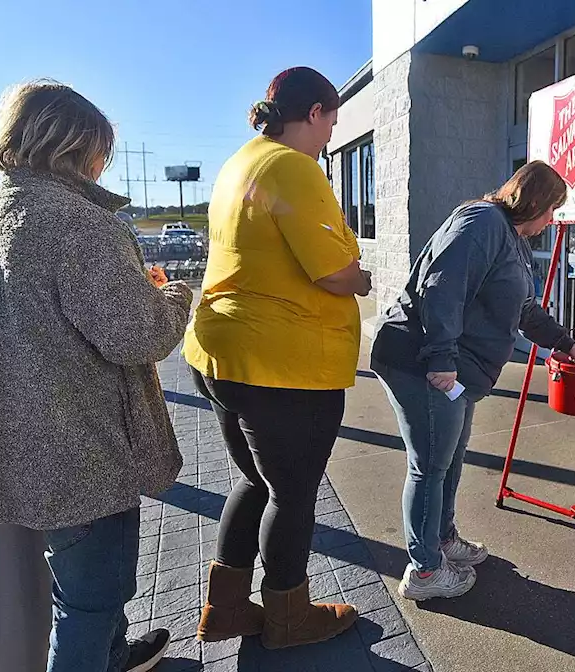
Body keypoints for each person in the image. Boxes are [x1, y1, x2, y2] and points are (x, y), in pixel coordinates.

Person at [0, 80, 194, 672]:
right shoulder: (79, 223)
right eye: (100, 151)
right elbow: (138, 335)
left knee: (80, 585)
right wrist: (175, 298)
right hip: (83, 447)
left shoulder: (0, 212)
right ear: (80, 147)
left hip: (27, 440)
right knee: (91, 599)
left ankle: (115, 655)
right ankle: (97, 655)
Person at [185, 66, 370, 649]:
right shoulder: (294, 167)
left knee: (256, 481)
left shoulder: (240, 162)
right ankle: (289, 616)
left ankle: (228, 608)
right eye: (331, 123)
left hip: (222, 350)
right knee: (292, 497)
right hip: (283, 365)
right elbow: (334, 272)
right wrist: (361, 277)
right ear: (313, 111)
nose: (331, 138)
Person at [370, 161, 575, 601]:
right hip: (424, 364)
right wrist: (441, 358)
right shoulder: (482, 221)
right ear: (534, 201)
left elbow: (525, 311)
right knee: (430, 466)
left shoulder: (513, 238)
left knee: (448, 461)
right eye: (551, 211)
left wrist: (565, 343)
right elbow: (442, 286)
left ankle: (443, 540)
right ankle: (426, 571)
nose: (552, 221)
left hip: (457, 372)